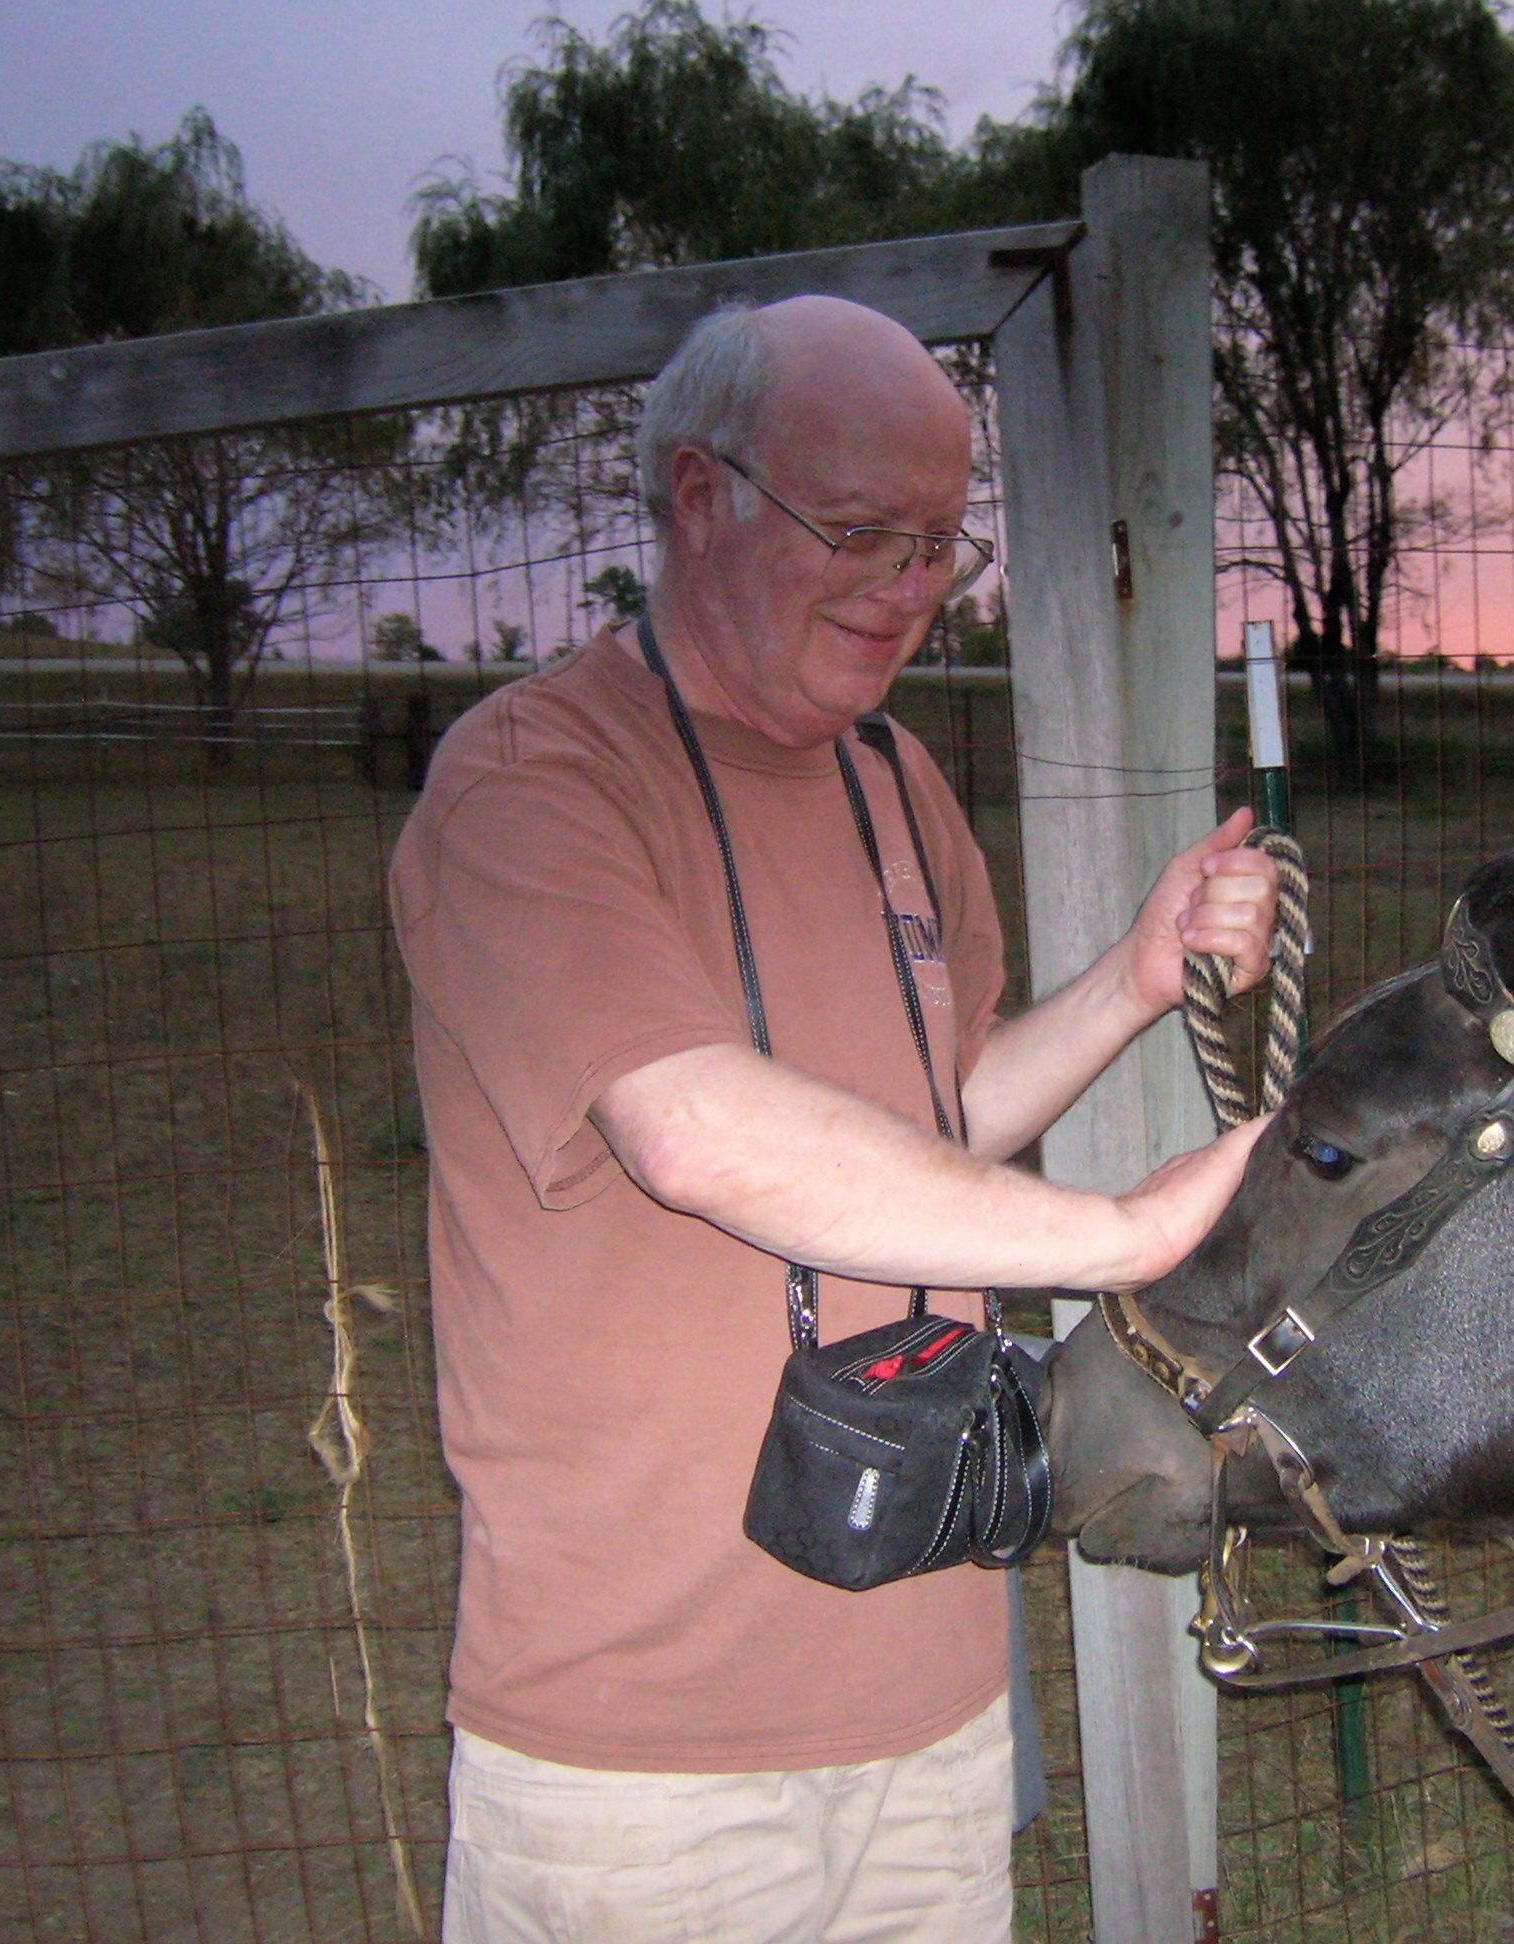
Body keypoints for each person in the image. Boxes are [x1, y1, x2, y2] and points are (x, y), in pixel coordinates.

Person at [389, 292, 1277, 1943]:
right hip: (640, 1759)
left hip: (929, 1694)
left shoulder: (898, 785)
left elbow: (938, 1125)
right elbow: (696, 1132)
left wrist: (1132, 982)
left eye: (941, 542)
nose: (911, 587)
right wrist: (1121, 1238)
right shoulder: (529, 783)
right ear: (698, 496)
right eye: (861, 531)